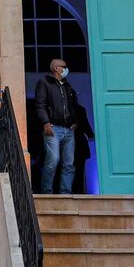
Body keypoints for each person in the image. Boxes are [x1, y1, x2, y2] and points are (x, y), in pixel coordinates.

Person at [33, 58, 78, 194]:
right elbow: (40, 104)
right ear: (56, 68)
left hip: (69, 129)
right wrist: (46, 122)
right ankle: (47, 191)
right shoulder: (44, 83)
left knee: (69, 164)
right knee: (53, 161)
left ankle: (66, 192)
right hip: (53, 128)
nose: (66, 69)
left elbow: (73, 106)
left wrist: (75, 122)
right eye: (64, 67)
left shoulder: (67, 86)